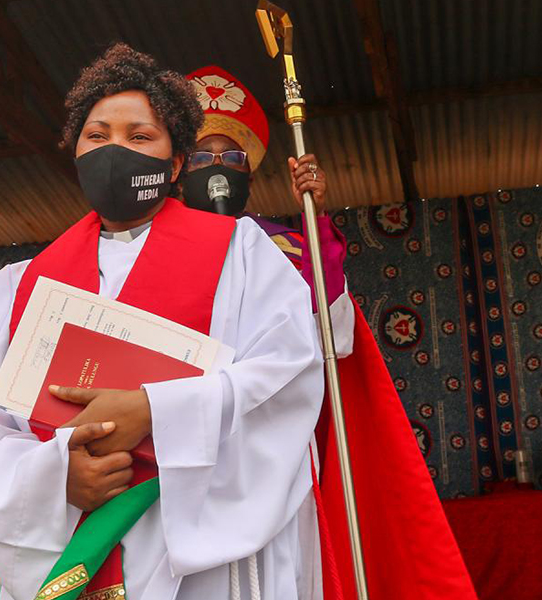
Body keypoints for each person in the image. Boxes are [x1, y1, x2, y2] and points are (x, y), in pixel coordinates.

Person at [0, 43, 325, 600]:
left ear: (176, 164)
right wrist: (55, 478)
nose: (114, 151)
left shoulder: (242, 254)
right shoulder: (14, 289)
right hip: (71, 536)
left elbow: (287, 374)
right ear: (76, 151)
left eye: (140, 136)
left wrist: (155, 411)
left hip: (196, 548)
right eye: (96, 136)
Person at [181, 66, 476, 599]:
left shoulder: (286, 246)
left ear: (250, 174)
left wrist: (314, 223)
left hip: (275, 445)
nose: (218, 168)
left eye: (232, 157)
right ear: (179, 173)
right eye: (203, 157)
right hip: (190, 444)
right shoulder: (157, 249)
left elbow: (332, 337)